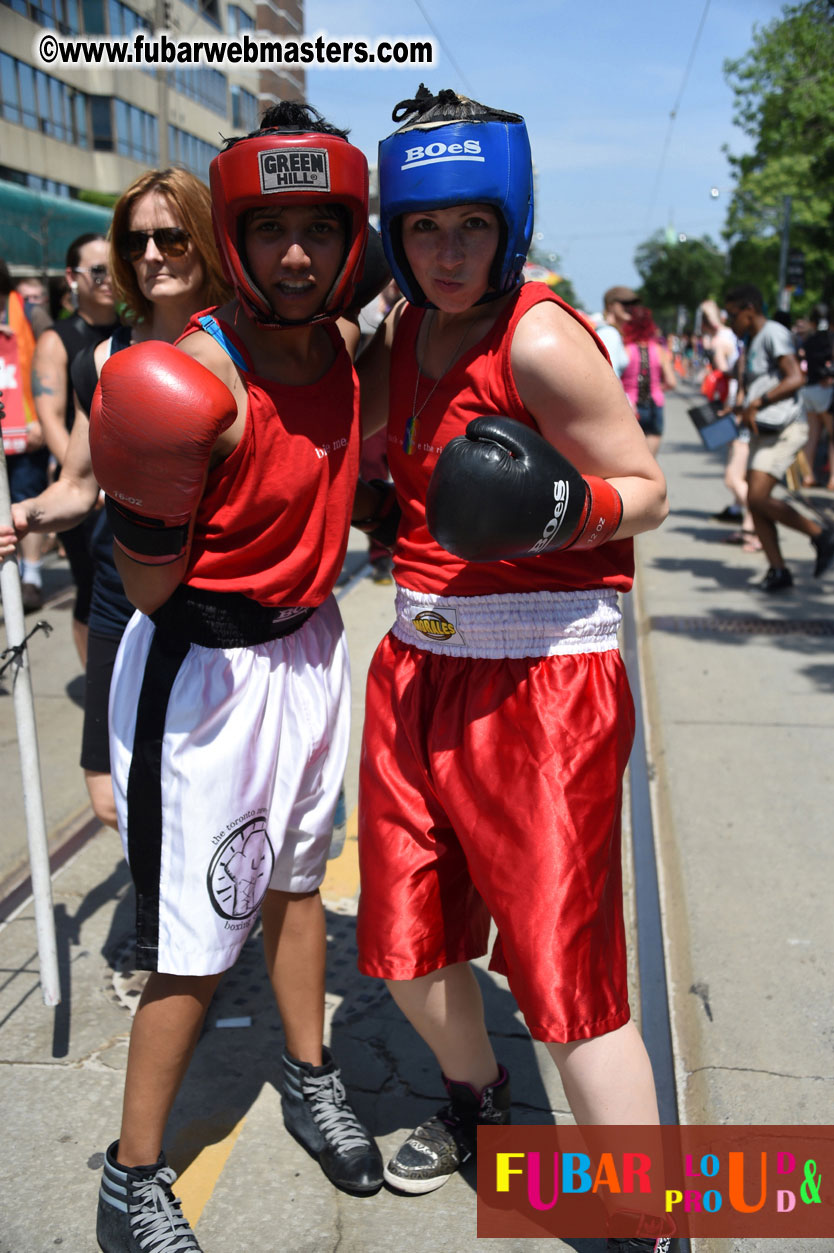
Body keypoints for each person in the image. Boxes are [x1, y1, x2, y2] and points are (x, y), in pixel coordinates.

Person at [355, 86, 670, 1253]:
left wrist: (555, 508)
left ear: (509, 222)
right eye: (425, 228)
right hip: (417, 666)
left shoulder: (538, 335)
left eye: (470, 227)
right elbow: (338, 418)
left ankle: (647, 1220)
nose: (446, 252)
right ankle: (481, 1104)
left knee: (567, 978)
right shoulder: (402, 327)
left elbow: (649, 488)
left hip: (544, 685)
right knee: (404, 940)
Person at [87, 102, 386, 1253]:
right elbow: (151, 593)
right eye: (273, 231)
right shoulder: (189, 377)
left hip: (311, 650)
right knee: (193, 936)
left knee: (299, 884)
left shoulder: (348, 350)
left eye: (322, 228)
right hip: (203, 672)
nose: (299, 254)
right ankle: (130, 1172)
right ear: (238, 240)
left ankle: (309, 1072)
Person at [0, 169, 231, 832]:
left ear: (209, 239)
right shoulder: (104, 359)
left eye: (172, 236)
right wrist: (29, 514)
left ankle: (197, 924)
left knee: (209, 799)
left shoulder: (250, 345)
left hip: (220, 612)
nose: (151, 255)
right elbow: (79, 483)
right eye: (136, 243)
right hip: (120, 602)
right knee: (111, 797)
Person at [30, 233, 120, 664]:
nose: (108, 279)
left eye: (114, 268)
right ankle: (96, 686)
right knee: (91, 586)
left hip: (131, 487)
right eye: (97, 270)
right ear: (71, 277)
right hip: (85, 488)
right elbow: (52, 418)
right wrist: (89, 481)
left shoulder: (134, 330)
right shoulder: (57, 339)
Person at [724, 284, 834, 591]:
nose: (730, 321)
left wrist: (758, 403)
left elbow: (795, 377)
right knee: (756, 503)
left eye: (732, 314)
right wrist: (741, 407)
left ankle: (821, 535)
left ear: (749, 309)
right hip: (764, 428)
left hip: (786, 428)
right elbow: (765, 385)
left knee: (758, 496)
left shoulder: (773, 332)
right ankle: (778, 570)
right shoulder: (755, 339)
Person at [1, 257, 47, 611]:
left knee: (27, 498)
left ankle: (31, 575)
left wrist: (42, 418)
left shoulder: (28, 313)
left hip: (26, 427)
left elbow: (46, 363)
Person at [620, 305, 677, 455]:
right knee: (650, 459)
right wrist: (657, 387)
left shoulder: (625, 349)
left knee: (631, 457)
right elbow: (671, 382)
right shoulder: (659, 350)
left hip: (630, 406)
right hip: (654, 404)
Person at [798, 305, 833, 487]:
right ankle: (833, 479)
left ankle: (807, 476)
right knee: (832, 437)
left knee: (811, 437)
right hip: (825, 389)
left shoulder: (808, 340)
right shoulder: (829, 338)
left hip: (808, 390)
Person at [596, 284, 639, 379]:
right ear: (610, 306)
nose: (630, 307)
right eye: (625, 303)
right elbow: (610, 375)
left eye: (633, 304)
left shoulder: (609, 331)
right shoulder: (609, 333)